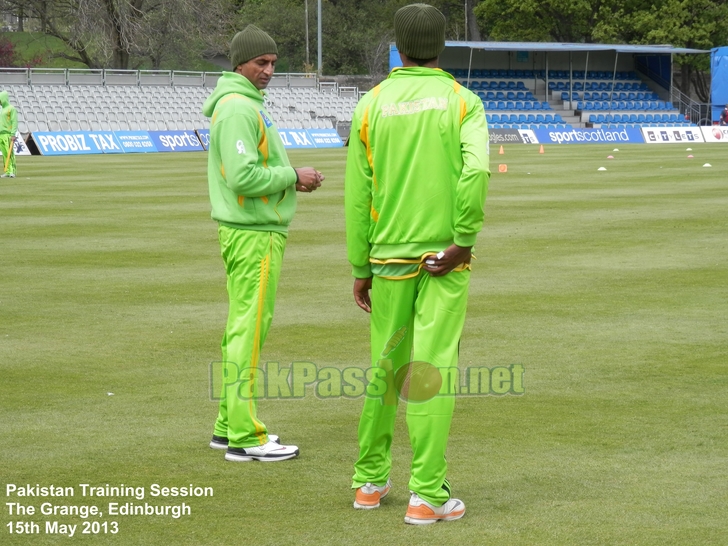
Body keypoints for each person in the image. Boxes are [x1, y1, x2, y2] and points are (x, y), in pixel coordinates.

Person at [345, 3, 490, 525]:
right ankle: (427, 495)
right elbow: (475, 174)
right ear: (441, 45)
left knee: (385, 369)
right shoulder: (462, 101)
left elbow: (357, 196)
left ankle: (368, 483)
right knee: (429, 371)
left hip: (386, 260)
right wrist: (464, 241)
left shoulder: (371, 104)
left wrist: (359, 265)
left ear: (398, 47)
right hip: (442, 260)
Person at [202, 24, 324, 462]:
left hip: (250, 231)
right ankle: (245, 438)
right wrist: (295, 176)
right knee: (249, 331)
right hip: (253, 234)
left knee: (243, 327)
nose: (269, 70)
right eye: (261, 63)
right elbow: (242, 176)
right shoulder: (238, 108)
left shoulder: (244, 103)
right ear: (240, 63)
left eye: (273, 62)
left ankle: (226, 425)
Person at [0, 90, 18, 178]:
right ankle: (7, 171)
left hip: (8, 134)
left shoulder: (11, 108)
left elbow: (14, 121)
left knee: (9, 153)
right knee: (4, 154)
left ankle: (12, 171)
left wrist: (13, 134)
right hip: (1, 134)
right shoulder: (2, 109)